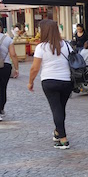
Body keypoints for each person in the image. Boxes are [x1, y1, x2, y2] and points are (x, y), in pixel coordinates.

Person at [27, 19, 73, 149]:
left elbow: (35, 68)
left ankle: (63, 139)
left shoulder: (41, 47)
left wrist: (30, 82)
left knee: (56, 109)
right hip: (66, 81)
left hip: (49, 81)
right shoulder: (66, 45)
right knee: (61, 108)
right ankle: (58, 132)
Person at [0, 28, 20, 121]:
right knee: (2, 88)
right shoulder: (7, 39)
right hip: (5, 66)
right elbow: (13, 54)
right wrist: (16, 68)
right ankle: (1, 109)